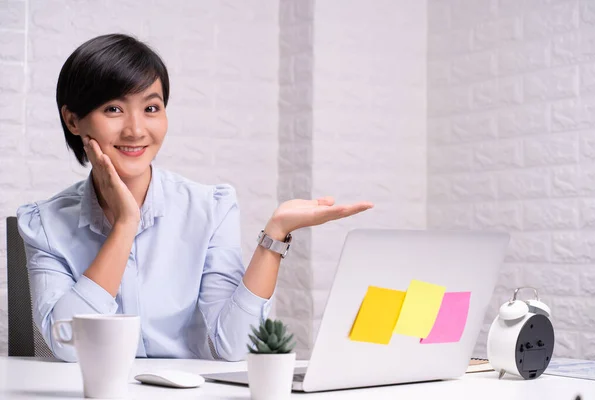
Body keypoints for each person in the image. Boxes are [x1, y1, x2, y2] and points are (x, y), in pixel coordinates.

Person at [16, 33, 373, 362]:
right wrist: (126, 224)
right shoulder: (45, 223)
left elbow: (234, 346)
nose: (136, 129)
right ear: (73, 120)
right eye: (113, 109)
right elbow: (67, 346)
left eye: (151, 108)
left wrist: (275, 235)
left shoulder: (210, 208)